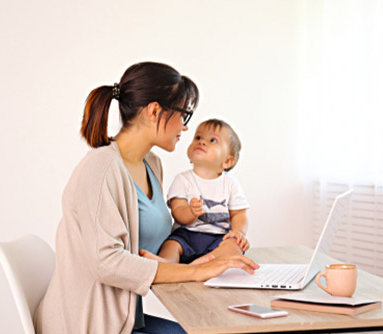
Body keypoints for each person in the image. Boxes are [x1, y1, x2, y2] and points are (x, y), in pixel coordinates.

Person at [33, 62, 258, 334]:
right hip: (90, 325)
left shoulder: (151, 164)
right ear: (154, 111)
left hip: (125, 320)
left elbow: (151, 246)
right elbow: (108, 263)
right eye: (183, 115)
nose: (185, 128)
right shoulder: (100, 169)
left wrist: (211, 256)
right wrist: (195, 273)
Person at [140, 119, 249, 265]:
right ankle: (167, 262)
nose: (202, 142)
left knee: (235, 245)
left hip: (219, 237)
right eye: (198, 137)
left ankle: (205, 261)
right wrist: (190, 212)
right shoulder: (183, 180)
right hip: (187, 236)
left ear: (227, 161)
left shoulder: (231, 183)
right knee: (171, 244)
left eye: (213, 140)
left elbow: (239, 213)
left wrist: (238, 232)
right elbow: (177, 211)